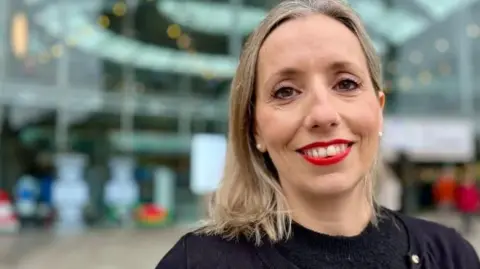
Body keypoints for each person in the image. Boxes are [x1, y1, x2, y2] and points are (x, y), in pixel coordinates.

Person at [156, 0, 480, 268]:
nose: (323, 115)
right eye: (285, 92)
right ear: (255, 128)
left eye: (346, 84)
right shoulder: (196, 263)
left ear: (378, 109)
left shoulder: (451, 257)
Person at [455, 163, 479, 234]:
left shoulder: (473, 188)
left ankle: (469, 228)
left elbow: (476, 196)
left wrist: (477, 203)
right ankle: (466, 228)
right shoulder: (461, 187)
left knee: (470, 217)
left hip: (471, 205)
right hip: (463, 205)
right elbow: (458, 196)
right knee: (464, 217)